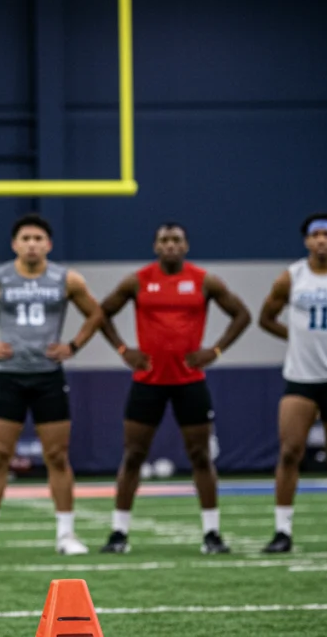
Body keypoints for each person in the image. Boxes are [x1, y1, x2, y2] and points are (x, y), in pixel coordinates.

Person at [0, 213, 104, 557]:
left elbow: (96, 313)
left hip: (48, 377)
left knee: (57, 455)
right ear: (14, 244)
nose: (32, 244)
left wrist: (73, 346)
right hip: (10, 376)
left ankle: (66, 535)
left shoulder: (66, 279)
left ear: (48, 244)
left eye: (38, 238)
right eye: (26, 238)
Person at [97, 223, 251, 555]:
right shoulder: (137, 280)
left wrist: (216, 350)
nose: (170, 245)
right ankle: (118, 533)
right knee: (134, 455)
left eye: (176, 240)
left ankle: (212, 533)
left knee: (200, 456)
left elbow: (242, 315)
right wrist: (124, 350)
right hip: (147, 382)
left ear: (186, 245)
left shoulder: (204, 280)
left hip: (189, 382)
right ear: (155, 246)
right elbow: (101, 313)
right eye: (164, 240)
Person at [258, 212, 327, 553]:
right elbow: (265, 318)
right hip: (300, 376)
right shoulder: (293, 276)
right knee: (289, 451)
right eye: (316, 235)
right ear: (307, 241)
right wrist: (295, 338)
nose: (322, 240)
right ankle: (282, 530)